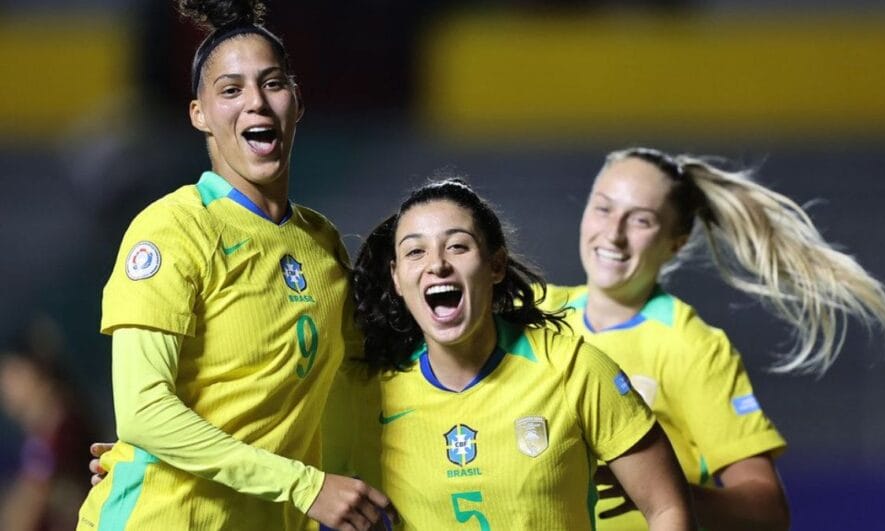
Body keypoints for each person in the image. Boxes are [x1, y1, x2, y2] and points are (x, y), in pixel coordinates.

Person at [76, 1, 391, 530]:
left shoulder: (322, 243)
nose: (256, 104)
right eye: (231, 89)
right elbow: (144, 412)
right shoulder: (174, 229)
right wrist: (305, 486)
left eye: (272, 83)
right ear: (198, 113)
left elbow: (351, 388)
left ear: (297, 101)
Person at [540, 147, 885, 530]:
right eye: (603, 208)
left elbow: (768, 511)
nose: (614, 233)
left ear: (676, 242)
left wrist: (658, 490)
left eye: (641, 220)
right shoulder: (534, 313)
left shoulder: (692, 347)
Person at [329, 178, 696, 530]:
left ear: (496, 265)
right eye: (415, 251)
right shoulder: (370, 392)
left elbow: (667, 507)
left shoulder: (573, 369)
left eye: (457, 246)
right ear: (397, 278)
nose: (436, 264)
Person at [1, 336, 95, 531]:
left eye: (13, 375)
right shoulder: (44, 433)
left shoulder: (61, 429)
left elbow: (26, 513)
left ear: (38, 371)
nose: (6, 389)